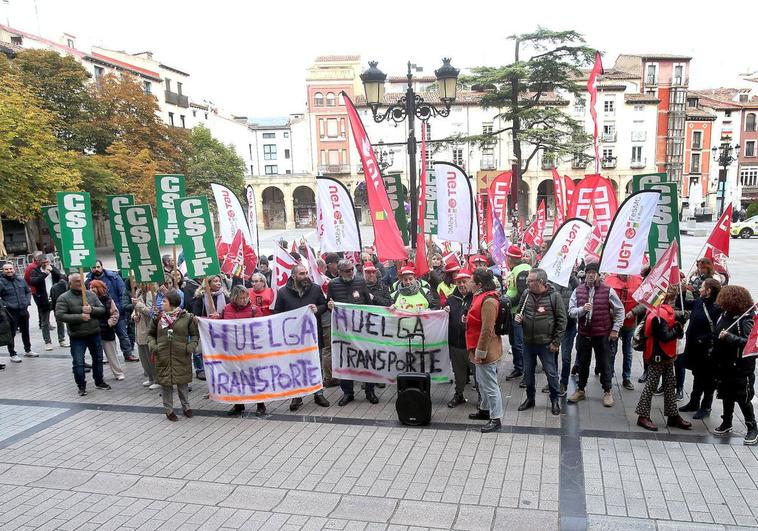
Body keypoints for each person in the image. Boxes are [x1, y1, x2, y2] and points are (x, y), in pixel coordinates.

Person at [567, 262, 624, 407]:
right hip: (584, 334)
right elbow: (571, 311)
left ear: (598, 275)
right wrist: (582, 310)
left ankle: (607, 391)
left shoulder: (608, 291)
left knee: (604, 363)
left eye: (594, 272)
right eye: (588, 272)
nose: (591, 275)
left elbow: (619, 310)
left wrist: (616, 329)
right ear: (585, 274)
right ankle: (580, 390)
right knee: (582, 362)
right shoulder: (578, 290)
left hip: (601, 334)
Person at [635, 285, 692, 431]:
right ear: (669, 299)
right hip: (658, 354)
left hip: (665, 354)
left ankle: (673, 415)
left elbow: (671, 321)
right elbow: (664, 337)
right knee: (651, 385)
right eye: (672, 299)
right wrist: (677, 329)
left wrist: (679, 322)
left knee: (669, 384)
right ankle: (642, 416)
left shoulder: (660, 310)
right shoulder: (659, 316)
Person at [276, 264, 330, 410]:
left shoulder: (315, 289)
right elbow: (278, 314)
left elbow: (324, 305)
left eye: (306, 273)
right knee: (294, 366)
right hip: (293, 339)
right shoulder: (282, 293)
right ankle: (297, 396)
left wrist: (317, 309)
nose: (305, 276)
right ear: (293, 276)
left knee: (315, 363)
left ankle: (318, 393)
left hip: (312, 336)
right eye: (301, 273)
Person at [515, 268, 567, 416]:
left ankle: (555, 400)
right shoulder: (526, 294)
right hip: (528, 342)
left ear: (541, 282)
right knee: (528, 373)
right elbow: (520, 312)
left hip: (546, 344)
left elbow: (562, 321)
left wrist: (556, 342)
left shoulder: (554, 297)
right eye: (527, 280)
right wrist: (518, 319)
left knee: (551, 373)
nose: (527, 283)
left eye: (530, 281)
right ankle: (530, 399)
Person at [327, 259, 378, 406]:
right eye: (347, 270)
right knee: (345, 360)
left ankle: (370, 391)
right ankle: (348, 393)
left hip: (361, 328)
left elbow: (368, 303)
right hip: (344, 330)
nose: (351, 272)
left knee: (366, 359)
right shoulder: (333, 284)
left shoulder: (360, 282)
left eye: (352, 269)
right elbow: (328, 303)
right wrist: (330, 305)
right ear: (340, 272)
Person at [712, 285, 757, 444]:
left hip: (740, 367)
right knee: (726, 394)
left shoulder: (746, 319)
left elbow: (750, 343)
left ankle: (752, 428)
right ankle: (727, 422)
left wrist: (730, 338)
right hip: (725, 364)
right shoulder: (725, 314)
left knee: (743, 397)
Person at [54, 273, 111, 396]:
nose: (80, 283)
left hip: (94, 332)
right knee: (78, 362)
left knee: (98, 359)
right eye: (76, 281)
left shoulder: (91, 295)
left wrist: (92, 310)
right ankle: (81, 385)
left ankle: (99, 381)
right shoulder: (64, 298)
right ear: (70, 283)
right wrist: (79, 317)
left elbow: (102, 310)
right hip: (77, 335)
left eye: (81, 280)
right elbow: (60, 315)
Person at [147, 290, 199, 421]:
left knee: (182, 383)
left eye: (164, 301)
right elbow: (150, 334)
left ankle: (186, 407)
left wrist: (190, 347)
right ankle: (169, 410)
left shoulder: (187, 317)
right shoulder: (158, 317)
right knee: (166, 384)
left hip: (181, 355)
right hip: (163, 355)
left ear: (172, 303)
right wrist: (154, 347)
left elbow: (194, 335)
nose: (161, 303)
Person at [466, 269, 503, 433]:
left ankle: (496, 418)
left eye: (471, 281)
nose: (469, 283)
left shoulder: (488, 301)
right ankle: (484, 410)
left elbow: (487, 330)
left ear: (479, 285)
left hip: (485, 350)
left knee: (490, 385)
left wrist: (480, 353)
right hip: (477, 347)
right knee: (482, 382)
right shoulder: (481, 297)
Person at [679, 278, 722, 419]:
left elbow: (718, 330)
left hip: (707, 350)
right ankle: (694, 402)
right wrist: (683, 291)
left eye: (703, 287)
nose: (700, 289)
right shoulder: (699, 301)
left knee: (708, 379)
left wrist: (703, 338)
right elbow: (683, 305)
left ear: (709, 291)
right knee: (697, 375)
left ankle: (706, 407)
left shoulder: (717, 308)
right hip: (694, 348)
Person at [223, 285, 267, 417]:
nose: (244, 300)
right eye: (241, 298)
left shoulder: (254, 309)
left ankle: (260, 404)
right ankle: (239, 404)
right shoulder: (226, 309)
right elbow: (220, 326)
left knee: (254, 377)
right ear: (234, 298)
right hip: (234, 350)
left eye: (246, 297)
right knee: (236, 377)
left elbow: (261, 328)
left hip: (251, 350)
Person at [85, 260, 136, 362]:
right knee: (103, 338)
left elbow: (122, 292)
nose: (96, 269)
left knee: (122, 334)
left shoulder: (113, 277)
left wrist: (120, 308)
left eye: (98, 267)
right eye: (93, 267)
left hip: (116, 310)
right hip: (101, 314)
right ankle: (109, 356)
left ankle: (128, 353)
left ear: (102, 266)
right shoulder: (88, 281)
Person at [605, 273, 642, 391]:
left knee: (628, 352)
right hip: (614, 322)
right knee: (611, 350)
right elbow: (603, 298)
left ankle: (626, 377)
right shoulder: (609, 280)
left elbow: (644, 302)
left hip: (629, 323)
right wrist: (610, 310)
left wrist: (634, 311)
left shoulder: (638, 281)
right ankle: (609, 376)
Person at [191, 274, 229, 380]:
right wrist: (206, 319)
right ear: (208, 284)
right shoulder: (201, 297)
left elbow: (229, 312)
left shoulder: (225, 296)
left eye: (219, 281)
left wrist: (220, 316)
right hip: (206, 331)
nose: (218, 283)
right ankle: (206, 373)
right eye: (215, 281)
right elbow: (196, 314)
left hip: (221, 331)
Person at [445, 271, 474, 408]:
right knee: (458, 374)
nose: (461, 285)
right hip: (455, 345)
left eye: (464, 281)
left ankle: (482, 398)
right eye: (459, 282)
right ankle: (459, 395)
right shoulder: (451, 299)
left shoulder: (476, 298)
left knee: (478, 375)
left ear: (471, 281)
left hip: (471, 346)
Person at [550, 268, 580, 396]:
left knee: (566, 357)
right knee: (553, 355)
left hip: (569, 325)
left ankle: (563, 383)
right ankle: (553, 381)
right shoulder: (554, 281)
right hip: (555, 325)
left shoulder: (575, 282)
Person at [88, 279, 126, 381]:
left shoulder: (108, 300)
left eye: (93, 287)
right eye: (90, 287)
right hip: (94, 331)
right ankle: (99, 376)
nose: (91, 289)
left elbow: (115, 314)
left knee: (111, 354)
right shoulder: (88, 300)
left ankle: (118, 373)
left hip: (106, 331)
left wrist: (108, 324)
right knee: (97, 356)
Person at [504, 245, 530, 382]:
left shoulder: (523, 271)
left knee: (520, 343)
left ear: (510, 258)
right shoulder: (515, 270)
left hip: (520, 314)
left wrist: (507, 302)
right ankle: (518, 368)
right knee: (514, 342)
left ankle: (526, 373)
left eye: (506, 257)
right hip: (513, 312)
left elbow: (522, 295)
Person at [0, 262, 35, 362]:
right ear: (3, 271)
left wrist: (27, 301)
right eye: (6, 269)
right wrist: (6, 305)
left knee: (25, 331)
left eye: (11, 269)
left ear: (14, 269)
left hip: (23, 310)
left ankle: (28, 350)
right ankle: (12, 353)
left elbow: (28, 291)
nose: (9, 271)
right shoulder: (1, 282)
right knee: (11, 333)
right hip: (11, 312)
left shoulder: (20, 279)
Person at [132, 285, 159, 390]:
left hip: (149, 328)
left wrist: (138, 305)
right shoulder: (138, 292)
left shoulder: (152, 294)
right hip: (140, 329)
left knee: (151, 356)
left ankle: (157, 378)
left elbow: (152, 312)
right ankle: (151, 377)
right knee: (143, 356)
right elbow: (135, 309)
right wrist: (134, 315)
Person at [50, 275, 69, 347]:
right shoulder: (67, 285)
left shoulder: (54, 287)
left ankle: (61, 339)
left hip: (57, 307)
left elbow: (52, 299)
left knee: (59, 323)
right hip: (67, 306)